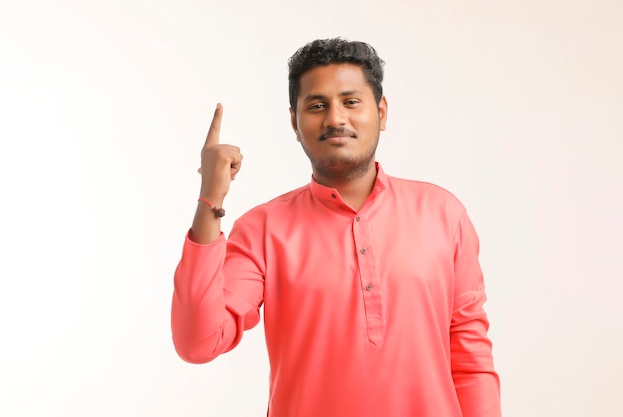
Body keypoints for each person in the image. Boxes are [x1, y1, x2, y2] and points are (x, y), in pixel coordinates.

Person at [171, 38, 501, 417]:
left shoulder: (443, 213)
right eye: (316, 106)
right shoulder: (263, 229)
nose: (335, 118)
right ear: (294, 123)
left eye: (351, 101)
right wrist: (210, 199)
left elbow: (469, 352)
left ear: (381, 112)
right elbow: (197, 342)